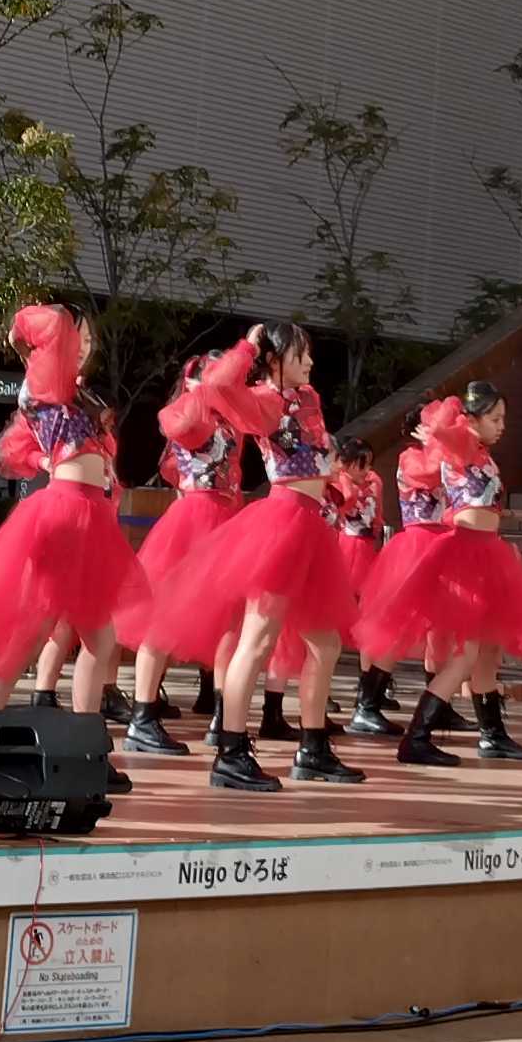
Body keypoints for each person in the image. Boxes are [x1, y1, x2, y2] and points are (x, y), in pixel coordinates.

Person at [141, 323, 369, 791]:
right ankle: (231, 750)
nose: (309, 363)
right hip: (283, 524)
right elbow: (219, 385)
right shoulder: (262, 400)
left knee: (325, 644)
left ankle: (313, 747)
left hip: (309, 525)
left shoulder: (308, 398)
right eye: (300, 355)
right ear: (274, 360)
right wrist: (250, 343)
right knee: (257, 641)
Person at [0, 307, 140, 722]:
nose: (85, 347)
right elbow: (11, 448)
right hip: (63, 513)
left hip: (92, 515)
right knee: (29, 636)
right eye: (78, 338)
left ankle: (85, 742)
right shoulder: (44, 385)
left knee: (100, 638)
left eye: (89, 340)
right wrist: (60, 322)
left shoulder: (81, 395)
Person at [349, 384, 522, 765]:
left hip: (487, 550)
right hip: (467, 551)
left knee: (488, 648)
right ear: (472, 420)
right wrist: (455, 408)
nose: (502, 425)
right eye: (495, 418)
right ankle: (416, 735)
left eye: (503, 418)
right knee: (467, 651)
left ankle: (493, 735)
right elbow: (442, 430)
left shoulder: (480, 452)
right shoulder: (461, 444)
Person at [118, 352, 245, 758]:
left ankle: (224, 718)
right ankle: (142, 717)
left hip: (225, 518)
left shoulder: (226, 416)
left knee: (230, 623)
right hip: (194, 518)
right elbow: (179, 424)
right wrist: (199, 391)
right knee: (164, 619)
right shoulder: (188, 411)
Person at [346, 421, 454, 741]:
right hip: (418, 546)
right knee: (398, 626)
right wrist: (441, 443)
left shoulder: (436, 454)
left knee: (440, 627)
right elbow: (429, 472)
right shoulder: (410, 456)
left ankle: (439, 703)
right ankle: (367, 705)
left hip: (439, 544)